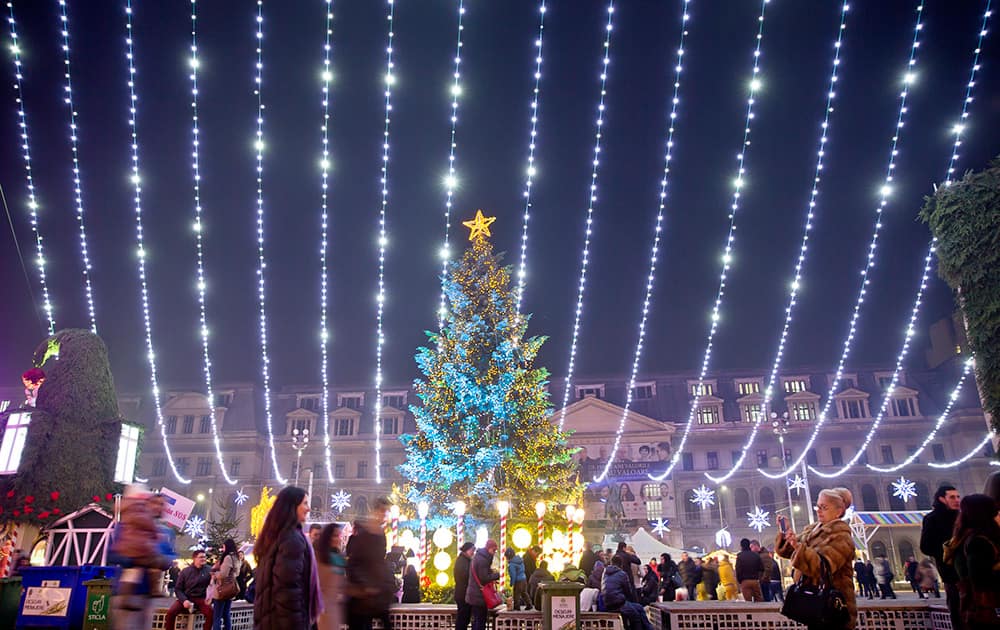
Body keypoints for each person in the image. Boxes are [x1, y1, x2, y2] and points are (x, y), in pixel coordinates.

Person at [775, 487, 857, 630]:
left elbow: (823, 567)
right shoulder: (812, 530)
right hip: (815, 604)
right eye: (817, 506)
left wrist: (798, 547)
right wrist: (786, 532)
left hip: (833, 607)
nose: (818, 510)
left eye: (824, 507)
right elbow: (788, 551)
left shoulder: (841, 536)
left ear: (838, 511)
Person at [253, 486, 322, 630]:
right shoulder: (292, 539)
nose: (309, 508)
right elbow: (288, 591)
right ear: (292, 506)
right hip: (284, 623)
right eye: (305, 503)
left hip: (269, 621)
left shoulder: (273, 537)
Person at [945, 493, 1000, 629]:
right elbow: (980, 579)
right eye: (996, 512)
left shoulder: (966, 539)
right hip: (988, 610)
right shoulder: (978, 542)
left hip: (976, 610)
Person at [345, 497, 396, 630]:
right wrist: (365, 585)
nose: (384, 515)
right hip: (363, 596)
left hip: (376, 595)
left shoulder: (380, 534)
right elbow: (353, 563)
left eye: (386, 512)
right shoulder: (364, 534)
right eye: (382, 511)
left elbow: (379, 562)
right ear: (375, 511)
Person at [921, 485, 961, 628]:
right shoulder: (932, 519)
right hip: (951, 573)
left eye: (958, 496)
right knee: (958, 609)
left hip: (970, 573)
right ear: (942, 499)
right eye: (952, 497)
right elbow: (925, 546)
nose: (957, 500)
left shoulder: (963, 516)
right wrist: (947, 551)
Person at [164, 550, 214, 630]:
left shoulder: (209, 570)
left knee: (210, 613)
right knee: (171, 613)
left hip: (202, 598)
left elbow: (213, 586)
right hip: (187, 597)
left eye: (205, 557)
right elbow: (178, 589)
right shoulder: (186, 571)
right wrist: (184, 600)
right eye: (201, 557)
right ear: (194, 558)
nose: (204, 559)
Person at [600, 556, 654, 630]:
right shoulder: (622, 574)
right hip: (618, 604)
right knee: (637, 614)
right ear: (621, 565)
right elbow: (628, 591)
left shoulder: (605, 573)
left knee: (638, 608)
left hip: (607, 604)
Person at [314, 523, 346, 630]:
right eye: (334, 536)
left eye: (339, 535)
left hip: (335, 607)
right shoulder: (320, 557)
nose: (338, 539)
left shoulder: (339, 557)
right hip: (323, 608)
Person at [466, 540, 501, 630]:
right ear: (489, 548)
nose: (494, 553)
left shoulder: (479, 557)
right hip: (479, 595)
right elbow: (484, 578)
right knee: (480, 620)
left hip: (474, 594)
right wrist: (498, 575)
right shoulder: (483, 560)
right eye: (493, 550)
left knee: (477, 620)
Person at [211, 538, 240, 630]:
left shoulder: (228, 558)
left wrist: (214, 574)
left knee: (217, 617)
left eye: (223, 547)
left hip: (222, 589)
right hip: (231, 588)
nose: (222, 549)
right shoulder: (236, 557)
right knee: (226, 614)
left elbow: (223, 574)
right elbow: (237, 573)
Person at [454, 543, 476, 629]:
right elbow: (465, 576)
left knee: (464, 618)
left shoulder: (464, 560)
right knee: (462, 618)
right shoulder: (462, 561)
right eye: (472, 550)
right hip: (463, 594)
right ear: (467, 550)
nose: (473, 553)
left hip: (463, 593)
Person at [735, 538, 765, 602]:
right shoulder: (756, 555)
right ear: (749, 545)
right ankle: (760, 611)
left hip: (745, 581)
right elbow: (762, 568)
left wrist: (740, 581)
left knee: (748, 602)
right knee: (759, 601)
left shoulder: (740, 556)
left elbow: (738, 570)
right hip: (755, 581)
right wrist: (759, 578)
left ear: (741, 546)